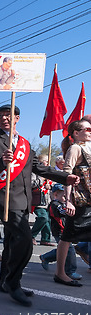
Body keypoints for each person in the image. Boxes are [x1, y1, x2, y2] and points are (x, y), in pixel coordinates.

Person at [0, 104, 77, 307]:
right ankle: (13, 283)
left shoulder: (25, 144)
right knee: (24, 241)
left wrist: (65, 177)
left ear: (17, 118)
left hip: (23, 201)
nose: (4, 119)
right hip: (4, 199)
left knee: (11, 242)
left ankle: (4, 282)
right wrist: (1, 161)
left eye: (8, 115)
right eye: (0, 116)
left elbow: (39, 168)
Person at [55, 119, 91, 286]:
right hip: (80, 201)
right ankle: (60, 273)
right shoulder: (75, 148)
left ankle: (83, 248)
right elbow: (66, 175)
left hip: (89, 200)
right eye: (88, 129)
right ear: (76, 133)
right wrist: (68, 201)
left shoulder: (88, 147)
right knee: (67, 236)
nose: (90, 131)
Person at [39, 184, 81, 280]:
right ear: (55, 195)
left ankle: (46, 257)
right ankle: (70, 271)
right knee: (70, 250)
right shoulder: (54, 204)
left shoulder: (62, 203)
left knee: (64, 250)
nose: (66, 198)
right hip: (60, 231)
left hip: (67, 230)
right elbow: (62, 211)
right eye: (64, 196)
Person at [30, 154, 54, 246]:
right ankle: (31, 235)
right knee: (43, 217)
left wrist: (50, 186)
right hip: (38, 200)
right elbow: (31, 183)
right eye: (46, 161)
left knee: (48, 220)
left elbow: (55, 184)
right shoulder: (35, 172)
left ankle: (45, 238)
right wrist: (42, 181)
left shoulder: (49, 172)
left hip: (47, 201)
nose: (48, 163)